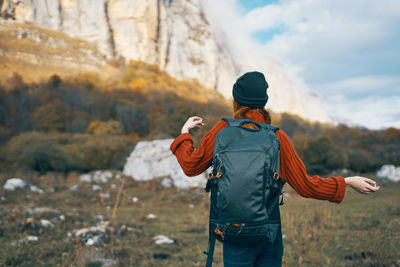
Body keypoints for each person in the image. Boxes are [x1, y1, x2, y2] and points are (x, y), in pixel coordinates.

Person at [170, 71, 380, 267]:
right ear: (264, 102)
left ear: (236, 101)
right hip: (268, 230)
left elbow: (190, 165)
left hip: (232, 230)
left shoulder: (221, 131)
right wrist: (348, 181)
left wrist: (184, 132)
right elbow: (306, 186)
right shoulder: (277, 138)